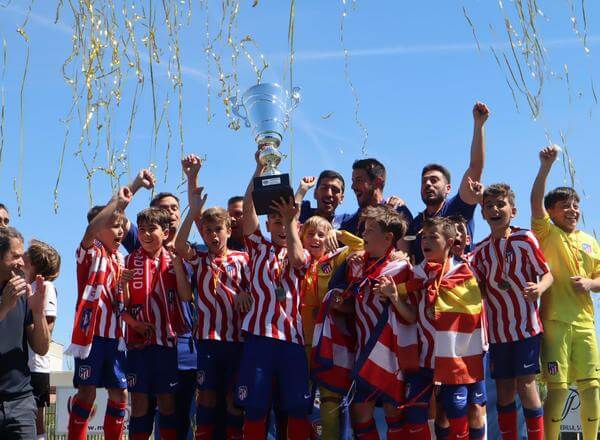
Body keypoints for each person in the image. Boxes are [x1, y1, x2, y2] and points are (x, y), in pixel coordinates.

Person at [234, 150, 312, 439]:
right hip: (258, 337)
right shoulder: (258, 247)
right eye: (276, 221)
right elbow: (246, 210)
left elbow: (297, 261)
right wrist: (258, 169)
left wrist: (292, 222)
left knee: (297, 408)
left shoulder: (301, 252)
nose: (281, 226)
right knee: (255, 408)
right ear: (267, 225)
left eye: (286, 221)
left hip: (291, 340)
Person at [471, 183, 553, 440]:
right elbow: (481, 289)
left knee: (526, 384)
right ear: (483, 213)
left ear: (513, 210)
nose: (495, 209)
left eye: (500, 204)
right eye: (489, 206)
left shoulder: (525, 238)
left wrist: (539, 288)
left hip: (526, 327)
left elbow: (548, 274)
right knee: (504, 389)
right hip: (497, 332)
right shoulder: (480, 250)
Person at [530, 145, 600, 440]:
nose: (573, 210)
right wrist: (546, 166)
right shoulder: (546, 232)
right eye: (565, 206)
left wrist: (589, 284)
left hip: (585, 323)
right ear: (551, 212)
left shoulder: (589, 240)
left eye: (576, 205)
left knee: (592, 387)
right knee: (557, 389)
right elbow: (535, 201)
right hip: (555, 321)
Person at [66, 185, 145, 440]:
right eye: (114, 225)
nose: (121, 231)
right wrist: (124, 194)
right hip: (91, 338)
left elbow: (124, 302)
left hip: (115, 338)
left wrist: (123, 286)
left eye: (122, 226)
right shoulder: (89, 252)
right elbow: (89, 231)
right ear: (98, 229)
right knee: (87, 393)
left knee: (120, 394)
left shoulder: (120, 259)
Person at [400, 217, 485, 440]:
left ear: (449, 242)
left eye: (432, 237)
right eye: (423, 237)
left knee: (458, 411)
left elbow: (475, 312)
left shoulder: (464, 273)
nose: (425, 241)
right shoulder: (418, 274)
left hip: (455, 359)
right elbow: (411, 316)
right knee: (414, 412)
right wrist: (392, 295)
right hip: (424, 361)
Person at [176, 194, 252, 440]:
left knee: (233, 399)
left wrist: (245, 292)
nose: (213, 235)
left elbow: (257, 289)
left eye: (218, 229)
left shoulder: (243, 258)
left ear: (229, 230)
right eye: (208, 231)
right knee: (206, 397)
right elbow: (178, 246)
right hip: (207, 340)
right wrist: (193, 212)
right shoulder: (199, 259)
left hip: (237, 340)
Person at [293, 209, 363, 439]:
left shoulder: (337, 259)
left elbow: (361, 248)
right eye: (310, 234)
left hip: (327, 343)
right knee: (298, 405)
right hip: (298, 342)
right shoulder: (295, 262)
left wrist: (340, 234)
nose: (315, 239)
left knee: (329, 403)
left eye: (322, 235)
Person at [123, 207, 190, 440]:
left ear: (166, 232)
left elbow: (185, 296)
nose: (146, 234)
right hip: (136, 343)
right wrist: (123, 287)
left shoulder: (173, 259)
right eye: (141, 230)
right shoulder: (129, 260)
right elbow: (122, 304)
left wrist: (179, 264)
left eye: (152, 229)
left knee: (166, 401)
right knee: (139, 404)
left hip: (166, 342)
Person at [406, 102, 490, 264]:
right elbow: (405, 245)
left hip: (460, 285)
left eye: (434, 180)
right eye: (424, 182)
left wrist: (479, 124)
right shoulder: (416, 224)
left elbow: (475, 166)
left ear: (448, 188)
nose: (428, 184)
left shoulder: (458, 207)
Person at [0, 227, 50, 439]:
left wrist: (38, 313)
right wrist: (4, 306)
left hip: (20, 402)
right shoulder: (12, 295)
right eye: (16, 256)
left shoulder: (22, 292)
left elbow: (41, 347)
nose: (22, 262)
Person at [24, 239, 61, 440]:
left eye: (27, 253)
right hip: (22, 364)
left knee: (36, 419)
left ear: (34, 262)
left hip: (36, 366)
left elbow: (47, 328)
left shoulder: (45, 287)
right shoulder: (22, 285)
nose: (21, 255)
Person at [341, 158, 413, 236]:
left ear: (377, 182)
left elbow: (410, 246)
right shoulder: (348, 222)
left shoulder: (399, 213)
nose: (353, 186)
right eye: (353, 181)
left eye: (359, 180)